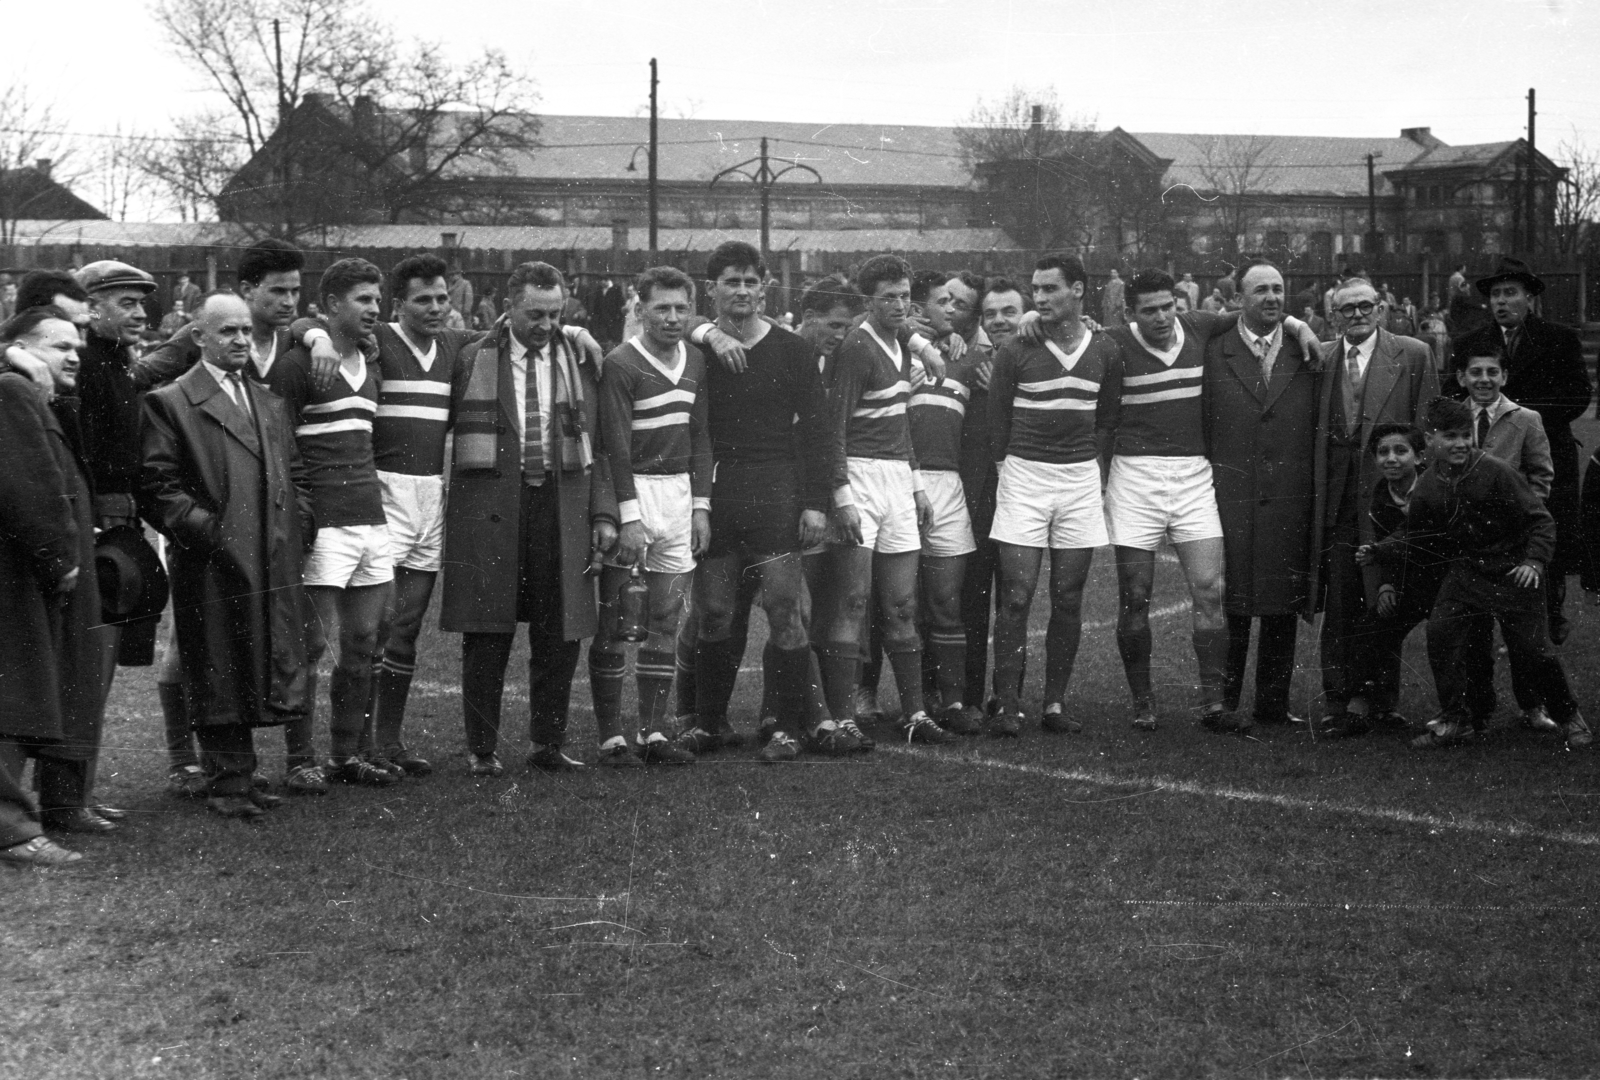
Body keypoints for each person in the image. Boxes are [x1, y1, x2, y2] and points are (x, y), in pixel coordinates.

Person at [139, 295, 317, 818]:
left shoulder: (267, 400)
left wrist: (299, 524)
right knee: (218, 660)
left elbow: (297, 473)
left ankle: (241, 774)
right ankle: (227, 782)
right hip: (212, 558)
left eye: (245, 331)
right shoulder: (171, 401)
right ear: (199, 337)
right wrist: (208, 534)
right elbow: (157, 485)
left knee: (260, 657)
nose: (241, 340)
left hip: (273, 552)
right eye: (227, 332)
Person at [442, 261, 616, 777]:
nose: (546, 325)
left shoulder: (581, 358)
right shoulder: (472, 355)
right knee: (487, 631)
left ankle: (548, 742)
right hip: (493, 504)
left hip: (560, 505)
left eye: (556, 314)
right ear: (508, 308)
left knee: (559, 632)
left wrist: (604, 512)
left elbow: (600, 445)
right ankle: (481, 748)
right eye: (534, 314)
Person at [668, 242, 836, 763]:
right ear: (711, 289)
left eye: (750, 282)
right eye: (730, 281)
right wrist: (707, 331)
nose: (741, 291)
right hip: (717, 491)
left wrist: (814, 503)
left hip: (778, 490)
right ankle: (710, 723)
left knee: (785, 609)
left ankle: (784, 727)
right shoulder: (697, 350)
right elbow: (654, 327)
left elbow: (817, 432)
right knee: (714, 612)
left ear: (764, 288)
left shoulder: (793, 351)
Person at [1362, 398, 1589, 750]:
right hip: (1467, 573)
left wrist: (1534, 562)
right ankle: (1456, 719)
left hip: (1514, 571)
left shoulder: (1497, 471)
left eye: (1466, 435)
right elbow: (1415, 534)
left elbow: (1541, 521)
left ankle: (1570, 716)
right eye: (1451, 436)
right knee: (1441, 634)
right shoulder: (1428, 485)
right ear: (1432, 439)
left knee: (1534, 651)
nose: (1461, 444)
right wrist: (1380, 549)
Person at [813, 255, 950, 745]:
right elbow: (833, 429)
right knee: (852, 600)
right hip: (860, 479)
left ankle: (914, 713)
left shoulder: (904, 345)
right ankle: (843, 715)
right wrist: (843, 499)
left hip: (896, 481)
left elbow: (900, 423)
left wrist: (916, 488)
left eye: (904, 295)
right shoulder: (856, 348)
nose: (899, 304)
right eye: (887, 296)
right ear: (868, 301)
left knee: (902, 604)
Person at [271, 258, 397, 787]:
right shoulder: (300, 364)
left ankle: (347, 755)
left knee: (366, 640)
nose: (375, 308)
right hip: (324, 521)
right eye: (363, 300)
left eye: (377, 298)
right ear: (331, 307)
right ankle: (301, 759)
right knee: (312, 644)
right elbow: (277, 446)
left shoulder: (372, 359)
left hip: (370, 518)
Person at [986, 254, 1118, 735]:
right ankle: (1007, 704)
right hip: (1025, 476)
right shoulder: (1018, 347)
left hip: (1079, 479)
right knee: (1017, 596)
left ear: (1079, 290)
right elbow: (997, 418)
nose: (1039, 298)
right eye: (1035, 290)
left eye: (1050, 289)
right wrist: (1009, 469)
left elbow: (1106, 419)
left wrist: (1092, 468)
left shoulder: (1105, 348)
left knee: (1067, 596)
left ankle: (1055, 704)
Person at [588, 267, 710, 767]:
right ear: (639, 310)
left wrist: (701, 506)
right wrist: (629, 517)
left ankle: (654, 734)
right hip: (633, 492)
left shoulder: (698, 360)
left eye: (682, 308)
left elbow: (701, 437)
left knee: (663, 617)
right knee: (619, 620)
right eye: (661, 308)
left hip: (680, 496)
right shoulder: (620, 363)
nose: (673, 318)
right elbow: (613, 445)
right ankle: (612, 739)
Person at [1310, 276, 1438, 737]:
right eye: (1348, 309)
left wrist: (1417, 495)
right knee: (1342, 600)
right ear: (1334, 315)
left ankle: (1383, 699)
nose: (1358, 315)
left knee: (1386, 597)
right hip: (1340, 501)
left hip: (1391, 498)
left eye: (1366, 306)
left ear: (1381, 309)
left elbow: (1427, 431)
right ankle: (1339, 699)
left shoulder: (1414, 353)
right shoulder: (1321, 356)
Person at [1202, 262, 1321, 730]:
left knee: (1279, 604)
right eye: (1260, 291)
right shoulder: (1213, 350)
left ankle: (1273, 703)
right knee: (1230, 600)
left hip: (1288, 498)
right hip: (1230, 495)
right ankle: (1225, 702)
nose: (1271, 298)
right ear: (1240, 298)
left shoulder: (1305, 348)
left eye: (1278, 290)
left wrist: (1298, 325)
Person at [1452, 257, 1592, 646]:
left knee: (1544, 531)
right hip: (1485, 455)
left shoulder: (1558, 338)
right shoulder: (1470, 344)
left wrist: (1522, 420)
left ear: (1529, 297)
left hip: (1546, 451)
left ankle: (1550, 609)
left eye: (1510, 292)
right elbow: (1451, 397)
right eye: (1495, 294)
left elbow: (1578, 395)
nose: (1502, 301)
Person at [0, 310, 90, 866]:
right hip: (13, 574)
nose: (74, 355)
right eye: (59, 346)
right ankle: (12, 830)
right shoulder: (13, 391)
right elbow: (29, 483)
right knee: (13, 694)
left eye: (77, 345)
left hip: (19, 570)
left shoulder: (27, 391)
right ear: (23, 349)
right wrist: (60, 558)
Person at [1454, 348, 1557, 734]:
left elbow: (1541, 476)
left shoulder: (1525, 419)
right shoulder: (1452, 418)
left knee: (1522, 634)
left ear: (1504, 377)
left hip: (1513, 543)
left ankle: (1532, 705)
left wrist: (1517, 522)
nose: (1484, 379)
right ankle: (1476, 708)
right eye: (1475, 372)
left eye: (1492, 372)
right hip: (1468, 542)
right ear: (1462, 377)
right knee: (1473, 632)